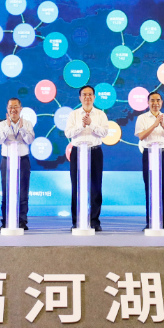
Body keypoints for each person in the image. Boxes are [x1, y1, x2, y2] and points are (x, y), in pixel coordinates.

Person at [65, 85, 109, 231]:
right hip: (78, 152)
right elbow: (68, 133)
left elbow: (104, 133)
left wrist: (91, 124)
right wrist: (82, 125)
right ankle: (76, 221)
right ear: (80, 98)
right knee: (76, 187)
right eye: (84, 94)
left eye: (90, 94)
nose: (87, 97)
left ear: (94, 97)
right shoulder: (74, 115)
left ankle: (94, 220)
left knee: (96, 187)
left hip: (95, 151)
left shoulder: (101, 115)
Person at [135, 90, 164, 232]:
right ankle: (151, 221)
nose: (155, 103)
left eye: (158, 100)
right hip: (149, 154)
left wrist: (162, 124)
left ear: (161, 102)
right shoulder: (142, 118)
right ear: (148, 102)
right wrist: (154, 124)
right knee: (150, 188)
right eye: (152, 100)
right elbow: (141, 136)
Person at [0, 97, 35, 230]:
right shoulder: (2, 124)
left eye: (15, 107)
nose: (13, 109)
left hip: (23, 160)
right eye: (10, 107)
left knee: (23, 192)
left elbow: (29, 140)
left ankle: (22, 221)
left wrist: (22, 129)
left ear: (20, 108)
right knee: (6, 191)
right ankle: (6, 220)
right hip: (7, 160)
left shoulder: (27, 124)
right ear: (7, 109)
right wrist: (8, 127)